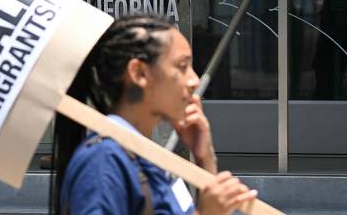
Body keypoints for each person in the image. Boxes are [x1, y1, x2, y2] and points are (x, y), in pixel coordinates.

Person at [51, 15, 258, 214]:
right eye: (182, 66)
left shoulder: (145, 157)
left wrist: (205, 160)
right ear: (139, 73)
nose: (194, 80)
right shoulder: (103, 161)